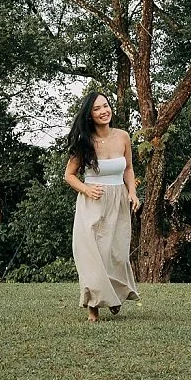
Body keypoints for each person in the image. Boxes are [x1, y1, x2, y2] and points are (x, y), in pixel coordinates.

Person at [63, 90, 140, 322]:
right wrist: (86, 189)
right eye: (96, 109)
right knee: (92, 254)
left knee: (115, 253)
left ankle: (114, 296)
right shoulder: (84, 142)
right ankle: (93, 308)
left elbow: (128, 169)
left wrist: (133, 193)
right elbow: (69, 175)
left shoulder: (123, 136)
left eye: (105, 106)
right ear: (89, 115)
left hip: (118, 200)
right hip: (92, 201)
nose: (103, 111)